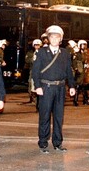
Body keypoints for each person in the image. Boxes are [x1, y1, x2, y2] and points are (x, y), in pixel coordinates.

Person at [31, 25, 76, 154]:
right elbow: (35, 71)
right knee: (44, 116)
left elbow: (69, 71)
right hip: (46, 87)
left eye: (57, 37)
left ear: (60, 39)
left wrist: (71, 86)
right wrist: (38, 86)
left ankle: (57, 143)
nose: (54, 39)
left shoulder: (65, 53)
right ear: (48, 38)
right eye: (52, 37)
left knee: (58, 116)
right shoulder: (41, 53)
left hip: (60, 88)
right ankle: (43, 143)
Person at [23, 39, 42, 107]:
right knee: (31, 85)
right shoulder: (30, 53)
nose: (37, 46)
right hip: (33, 70)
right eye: (36, 45)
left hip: (41, 71)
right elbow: (27, 60)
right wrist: (32, 59)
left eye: (38, 45)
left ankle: (39, 101)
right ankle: (33, 98)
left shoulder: (42, 52)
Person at [73, 39, 89, 106]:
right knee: (78, 86)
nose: (84, 46)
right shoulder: (77, 54)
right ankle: (75, 100)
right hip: (79, 72)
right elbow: (74, 62)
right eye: (82, 45)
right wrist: (76, 69)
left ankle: (85, 100)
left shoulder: (87, 53)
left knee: (84, 87)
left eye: (85, 45)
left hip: (84, 72)